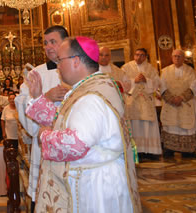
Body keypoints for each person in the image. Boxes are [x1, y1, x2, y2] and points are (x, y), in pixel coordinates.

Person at [25, 36, 141, 212]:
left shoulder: (92, 97)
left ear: (76, 61)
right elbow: (63, 120)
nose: (57, 66)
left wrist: (44, 136)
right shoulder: (91, 87)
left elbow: (77, 142)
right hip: (91, 177)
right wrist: (38, 99)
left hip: (94, 186)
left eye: (60, 60)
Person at [14, 25, 68, 211]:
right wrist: (46, 97)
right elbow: (23, 104)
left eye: (53, 41)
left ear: (66, 42)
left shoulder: (79, 68)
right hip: (45, 148)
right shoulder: (35, 73)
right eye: (45, 43)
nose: (48, 46)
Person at [122, 48, 162, 158]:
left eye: (142, 55)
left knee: (148, 126)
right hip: (132, 101)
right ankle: (137, 151)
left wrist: (147, 81)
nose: (139, 57)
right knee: (134, 125)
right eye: (137, 54)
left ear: (146, 57)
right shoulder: (126, 67)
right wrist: (133, 81)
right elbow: (122, 83)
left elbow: (157, 82)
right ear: (134, 55)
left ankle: (150, 151)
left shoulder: (151, 68)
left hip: (146, 102)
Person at [160, 49, 196, 157]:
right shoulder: (164, 71)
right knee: (170, 126)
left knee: (186, 127)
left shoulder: (190, 71)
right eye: (175, 56)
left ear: (183, 58)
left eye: (179, 56)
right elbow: (162, 87)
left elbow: (194, 87)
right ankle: (170, 149)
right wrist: (172, 99)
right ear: (171, 57)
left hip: (185, 104)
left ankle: (187, 150)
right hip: (171, 104)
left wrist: (181, 98)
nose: (177, 58)